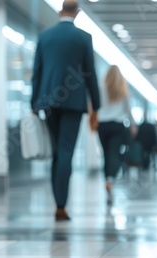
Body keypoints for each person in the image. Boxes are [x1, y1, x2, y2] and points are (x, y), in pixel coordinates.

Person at [30, 0, 100, 221]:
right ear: (77, 12)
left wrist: (33, 104)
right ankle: (61, 205)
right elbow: (90, 73)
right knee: (66, 151)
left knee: (56, 153)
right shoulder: (83, 38)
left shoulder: (44, 36)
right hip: (73, 103)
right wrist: (95, 107)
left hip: (48, 102)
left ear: (60, 11)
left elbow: (37, 73)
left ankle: (58, 202)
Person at [97, 65, 136, 204]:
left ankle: (107, 180)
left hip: (102, 125)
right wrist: (132, 124)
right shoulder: (122, 89)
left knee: (106, 154)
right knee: (114, 153)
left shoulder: (101, 88)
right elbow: (128, 109)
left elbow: (96, 106)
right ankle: (110, 180)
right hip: (118, 125)